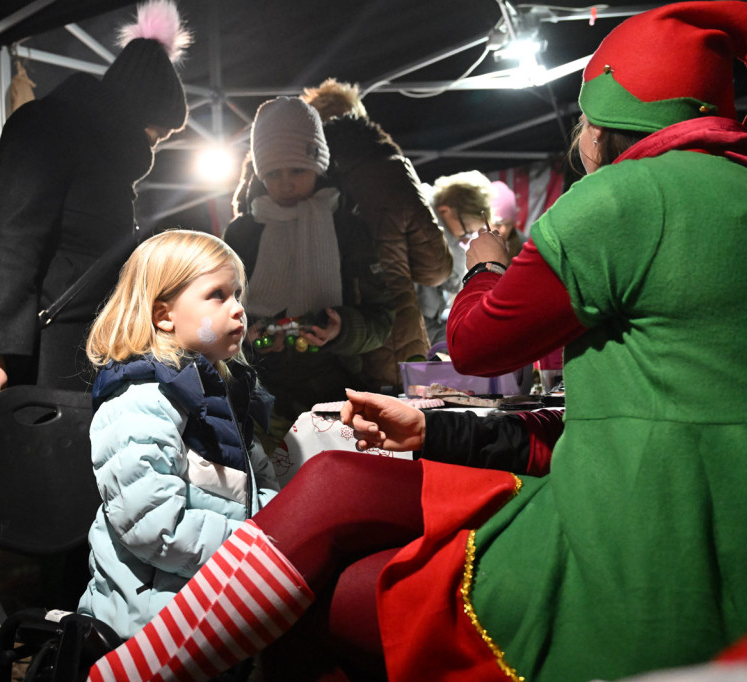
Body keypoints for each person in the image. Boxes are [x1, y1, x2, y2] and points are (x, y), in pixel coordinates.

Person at [86, 3, 747, 680]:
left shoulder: (618, 198)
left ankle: (131, 673)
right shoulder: (732, 187)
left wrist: (484, 265)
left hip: (631, 525)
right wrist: (434, 430)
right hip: (692, 515)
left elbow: (477, 341)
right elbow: (633, 404)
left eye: (584, 118)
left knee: (333, 559)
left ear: (606, 122)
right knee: (333, 495)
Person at [0, 0, 192, 402]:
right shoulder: (50, 126)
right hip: (32, 358)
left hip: (78, 355)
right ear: (141, 109)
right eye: (159, 130)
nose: (157, 142)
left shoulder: (104, 161)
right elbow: (11, 234)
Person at [76, 229, 280, 641]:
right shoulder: (141, 401)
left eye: (238, 294)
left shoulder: (222, 393)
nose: (238, 309)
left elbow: (261, 491)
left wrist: (289, 532)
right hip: (153, 620)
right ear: (163, 315)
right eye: (217, 295)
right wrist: (256, 549)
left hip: (212, 593)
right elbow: (154, 528)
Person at [224, 96, 394, 451]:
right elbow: (221, 318)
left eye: (297, 170)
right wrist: (252, 339)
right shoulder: (241, 234)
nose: (284, 184)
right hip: (261, 401)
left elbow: (382, 319)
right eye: (272, 173)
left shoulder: (348, 227)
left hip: (337, 399)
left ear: (319, 165)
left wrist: (342, 329)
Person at [301, 79, 453, 388]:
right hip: (394, 352)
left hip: (316, 353)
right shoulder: (388, 168)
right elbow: (435, 268)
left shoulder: (295, 178)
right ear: (358, 118)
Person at [415, 169, 493, 345]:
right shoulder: (427, 239)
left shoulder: (427, 224)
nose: (466, 240)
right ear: (445, 211)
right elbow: (420, 321)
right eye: (467, 232)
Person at [487, 180, 525, 262]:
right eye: (497, 224)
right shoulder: (466, 243)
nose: (503, 230)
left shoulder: (521, 247)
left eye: (509, 224)